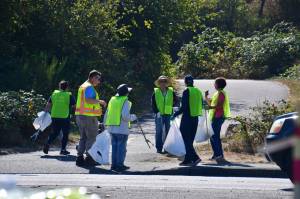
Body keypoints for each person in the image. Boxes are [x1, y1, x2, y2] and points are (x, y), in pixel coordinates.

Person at [75, 70, 107, 166]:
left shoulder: (83, 86)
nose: (99, 81)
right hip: (88, 116)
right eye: (97, 79)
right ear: (92, 78)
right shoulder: (89, 87)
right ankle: (90, 159)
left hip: (80, 115)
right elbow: (88, 100)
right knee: (91, 138)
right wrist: (100, 102)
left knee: (83, 138)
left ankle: (79, 158)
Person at [104, 84, 136, 172]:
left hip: (111, 128)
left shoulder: (112, 100)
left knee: (114, 148)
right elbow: (125, 116)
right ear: (126, 93)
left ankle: (113, 165)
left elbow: (107, 113)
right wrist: (133, 117)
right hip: (121, 129)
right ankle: (119, 165)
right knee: (121, 148)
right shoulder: (124, 101)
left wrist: (104, 125)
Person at [172, 75, 202, 166]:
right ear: (193, 82)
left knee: (185, 139)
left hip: (187, 118)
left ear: (185, 82)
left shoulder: (186, 91)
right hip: (195, 118)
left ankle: (195, 158)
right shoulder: (198, 91)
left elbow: (184, 107)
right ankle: (189, 159)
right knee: (189, 140)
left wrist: (175, 114)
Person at [43, 80, 76, 155]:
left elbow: (48, 105)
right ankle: (63, 150)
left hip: (54, 116)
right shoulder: (69, 95)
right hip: (65, 116)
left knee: (55, 132)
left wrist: (44, 113)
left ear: (59, 87)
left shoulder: (54, 94)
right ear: (67, 87)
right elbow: (74, 106)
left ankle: (47, 143)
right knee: (65, 133)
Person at [205, 77, 231, 162]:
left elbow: (219, 105)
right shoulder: (217, 93)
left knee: (214, 136)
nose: (214, 84)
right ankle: (216, 154)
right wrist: (206, 97)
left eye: (215, 83)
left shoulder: (221, 94)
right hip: (215, 117)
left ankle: (219, 155)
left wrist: (210, 107)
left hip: (218, 117)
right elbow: (211, 103)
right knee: (213, 136)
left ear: (218, 84)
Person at [152, 75, 177, 154]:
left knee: (168, 131)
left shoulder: (171, 91)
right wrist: (156, 112)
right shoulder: (156, 92)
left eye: (164, 81)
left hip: (168, 114)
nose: (162, 83)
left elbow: (176, 100)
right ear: (159, 83)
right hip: (159, 114)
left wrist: (173, 107)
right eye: (161, 81)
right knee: (159, 131)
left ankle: (167, 148)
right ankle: (159, 148)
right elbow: (153, 104)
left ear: (166, 83)